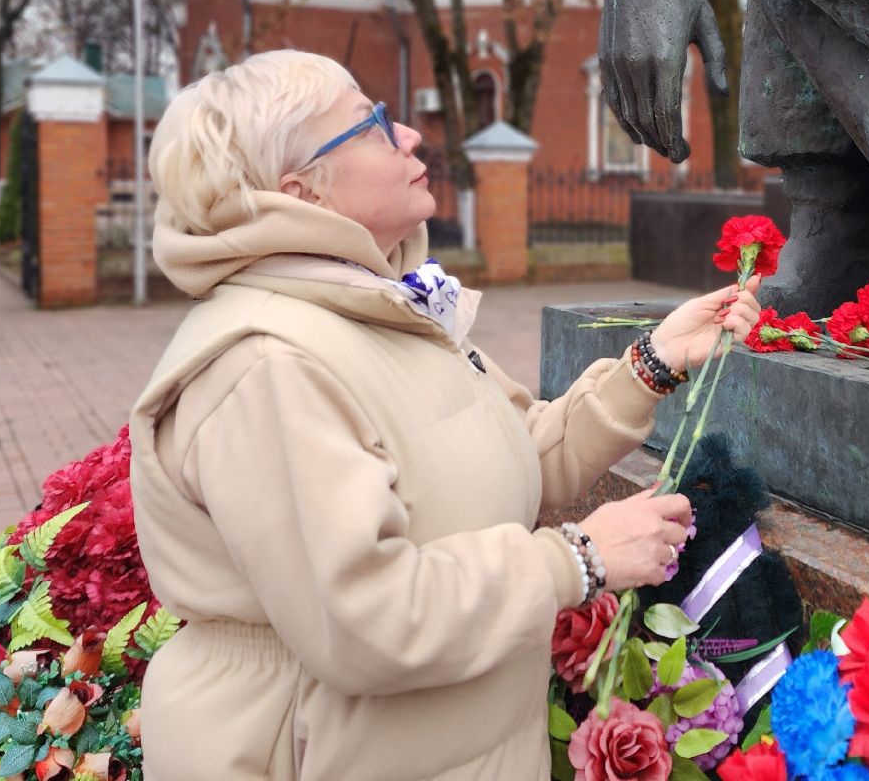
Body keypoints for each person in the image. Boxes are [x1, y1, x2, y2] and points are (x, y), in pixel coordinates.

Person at [127, 50, 763, 780]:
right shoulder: (269, 366)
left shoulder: (366, 310)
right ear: (301, 191)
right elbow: (364, 618)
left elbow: (513, 457)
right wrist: (578, 559)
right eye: (370, 124)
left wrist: (653, 362)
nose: (408, 135)